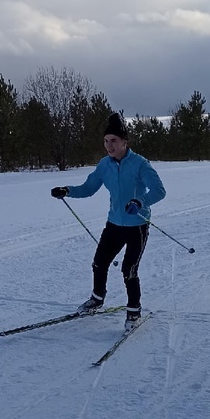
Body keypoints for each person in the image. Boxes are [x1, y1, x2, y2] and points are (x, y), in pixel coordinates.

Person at [51, 112, 166, 326]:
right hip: (114, 224)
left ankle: (133, 311)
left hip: (137, 225)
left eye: (113, 141)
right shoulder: (105, 165)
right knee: (99, 263)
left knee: (128, 269)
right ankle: (97, 299)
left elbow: (159, 191)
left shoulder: (140, 164)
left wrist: (140, 202)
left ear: (125, 142)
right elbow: (88, 188)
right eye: (106, 141)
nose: (109, 145)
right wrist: (66, 190)